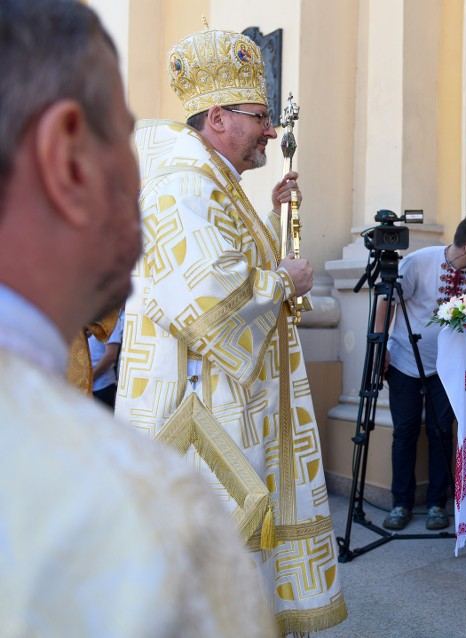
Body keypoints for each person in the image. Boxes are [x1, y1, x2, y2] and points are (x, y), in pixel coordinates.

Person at [0, 1, 276, 635]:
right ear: (67, 156)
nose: (141, 168)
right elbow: (210, 303)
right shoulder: (146, 516)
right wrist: (280, 284)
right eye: (125, 134)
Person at [115, 27, 346, 636]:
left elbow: (224, 260)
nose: (271, 130)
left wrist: (271, 217)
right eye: (259, 116)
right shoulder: (184, 183)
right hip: (199, 411)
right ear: (217, 118)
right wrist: (284, 281)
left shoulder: (213, 181)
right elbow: (208, 303)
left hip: (224, 403)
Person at [377, 214, 466, 531]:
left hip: (446, 368)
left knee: (441, 432)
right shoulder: (419, 262)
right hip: (405, 360)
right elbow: (387, 301)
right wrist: (381, 347)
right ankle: (400, 503)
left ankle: (436, 504)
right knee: (404, 433)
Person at [88, 309, 123, 408]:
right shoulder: (83, 314)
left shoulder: (110, 318)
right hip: (81, 387)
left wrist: (89, 377)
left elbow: (110, 355)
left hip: (102, 387)